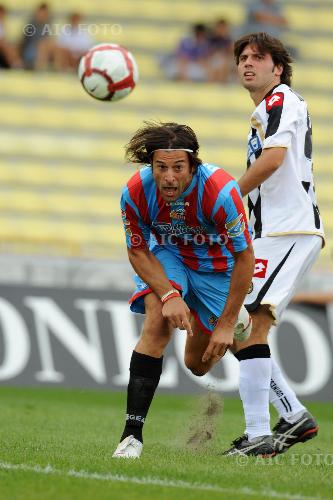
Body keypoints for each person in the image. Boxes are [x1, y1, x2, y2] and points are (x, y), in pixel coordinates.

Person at [112, 121, 254, 458]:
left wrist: (225, 322)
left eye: (178, 168)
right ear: (152, 166)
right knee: (157, 323)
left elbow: (245, 256)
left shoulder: (221, 191)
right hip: (168, 255)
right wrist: (169, 295)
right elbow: (137, 250)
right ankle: (131, 437)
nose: (169, 177)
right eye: (161, 167)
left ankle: (232, 321)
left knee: (197, 364)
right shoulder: (134, 192)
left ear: (193, 165)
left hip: (216, 267)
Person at [223, 32, 325, 456]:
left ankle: (259, 435)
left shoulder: (282, 100)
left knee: (246, 324)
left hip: (289, 231)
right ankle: (292, 414)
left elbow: (273, 161)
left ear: (277, 68)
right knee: (234, 328)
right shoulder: (268, 108)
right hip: (272, 233)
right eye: (242, 57)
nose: (247, 63)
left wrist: (224, 195)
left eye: (258, 57)